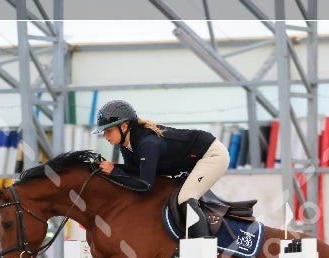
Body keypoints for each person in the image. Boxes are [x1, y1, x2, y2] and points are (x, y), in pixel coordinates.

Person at [92, 99, 230, 239]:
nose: (104, 136)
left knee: (185, 198)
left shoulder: (147, 144)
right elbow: (135, 172)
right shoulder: (126, 144)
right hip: (195, 158)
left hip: (212, 156)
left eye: (108, 130)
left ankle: (206, 252)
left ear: (123, 127)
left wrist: (114, 170)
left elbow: (145, 186)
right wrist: (111, 168)